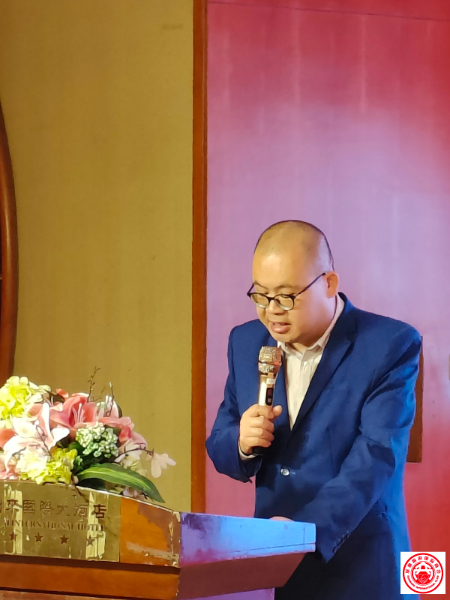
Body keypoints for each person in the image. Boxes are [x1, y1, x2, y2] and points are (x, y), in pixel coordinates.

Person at [206, 220, 421, 600]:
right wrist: (241, 442)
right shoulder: (246, 341)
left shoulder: (389, 344)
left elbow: (376, 456)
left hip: (361, 564)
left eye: (286, 296)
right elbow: (220, 443)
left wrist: (304, 531)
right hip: (277, 565)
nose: (272, 311)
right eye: (260, 295)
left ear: (329, 283)